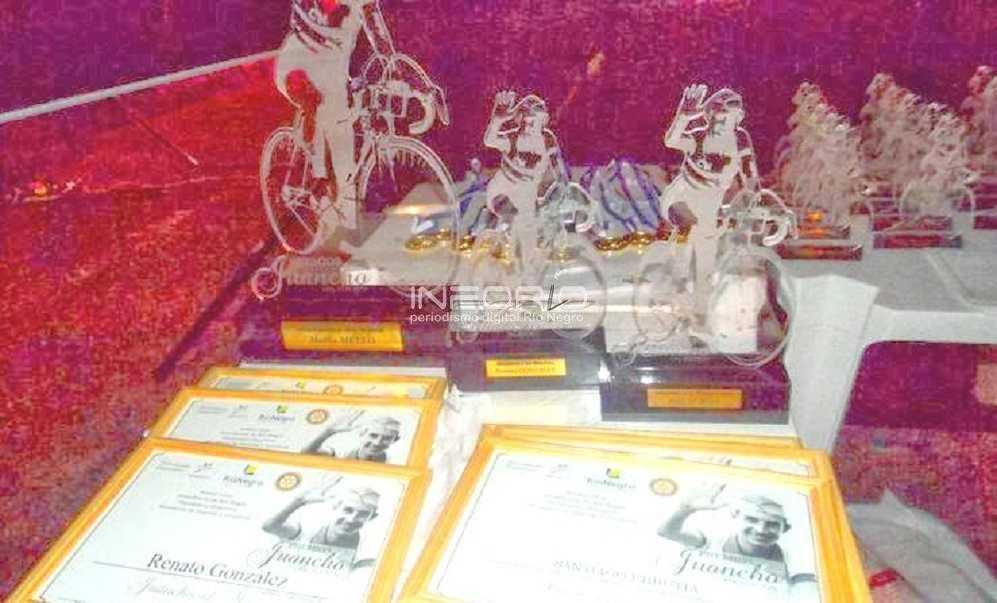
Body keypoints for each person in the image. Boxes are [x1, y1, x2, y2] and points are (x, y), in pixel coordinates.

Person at [274, 0, 395, 231]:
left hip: (333, 77)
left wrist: (394, 68)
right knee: (320, 111)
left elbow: (377, 32)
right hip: (298, 68)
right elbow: (305, 23)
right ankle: (317, 185)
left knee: (343, 143)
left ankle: (343, 213)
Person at [659, 85, 757, 319]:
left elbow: (750, 175)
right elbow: (671, 141)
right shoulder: (699, 137)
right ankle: (677, 287)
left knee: (706, 261)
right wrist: (683, 116)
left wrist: (752, 198)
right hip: (681, 197)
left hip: (709, 206)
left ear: (738, 119)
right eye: (718, 116)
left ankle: (700, 313)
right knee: (688, 231)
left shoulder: (740, 140)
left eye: (729, 117)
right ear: (708, 116)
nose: (722, 123)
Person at [482, 91, 559, 279]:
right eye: (526, 119)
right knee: (520, 222)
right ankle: (507, 256)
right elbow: (489, 141)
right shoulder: (512, 139)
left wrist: (558, 190)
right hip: (502, 193)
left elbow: (557, 168)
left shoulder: (548, 140)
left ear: (543, 120)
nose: (529, 124)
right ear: (519, 120)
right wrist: (497, 120)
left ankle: (525, 269)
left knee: (531, 227)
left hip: (527, 198)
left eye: (535, 120)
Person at [658, 488, 791, 563]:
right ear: (736, 516)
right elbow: (667, 532)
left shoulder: (790, 559)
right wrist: (686, 509)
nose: (761, 529)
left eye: (772, 524)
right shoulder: (710, 542)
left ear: (785, 528)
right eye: (751, 519)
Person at [263, 483, 379, 550]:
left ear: (372, 518)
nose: (351, 519)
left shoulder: (367, 546)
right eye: (347, 510)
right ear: (336, 507)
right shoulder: (309, 529)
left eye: (363, 514)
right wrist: (298, 502)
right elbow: (270, 527)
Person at [301, 414, 401, 462]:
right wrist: (328, 432)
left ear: (395, 440)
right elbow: (305, 454)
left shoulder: (393, 462)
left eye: (387, 438)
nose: (377, 442)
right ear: (362, 434)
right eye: (373, 435)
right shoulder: (342, 451)